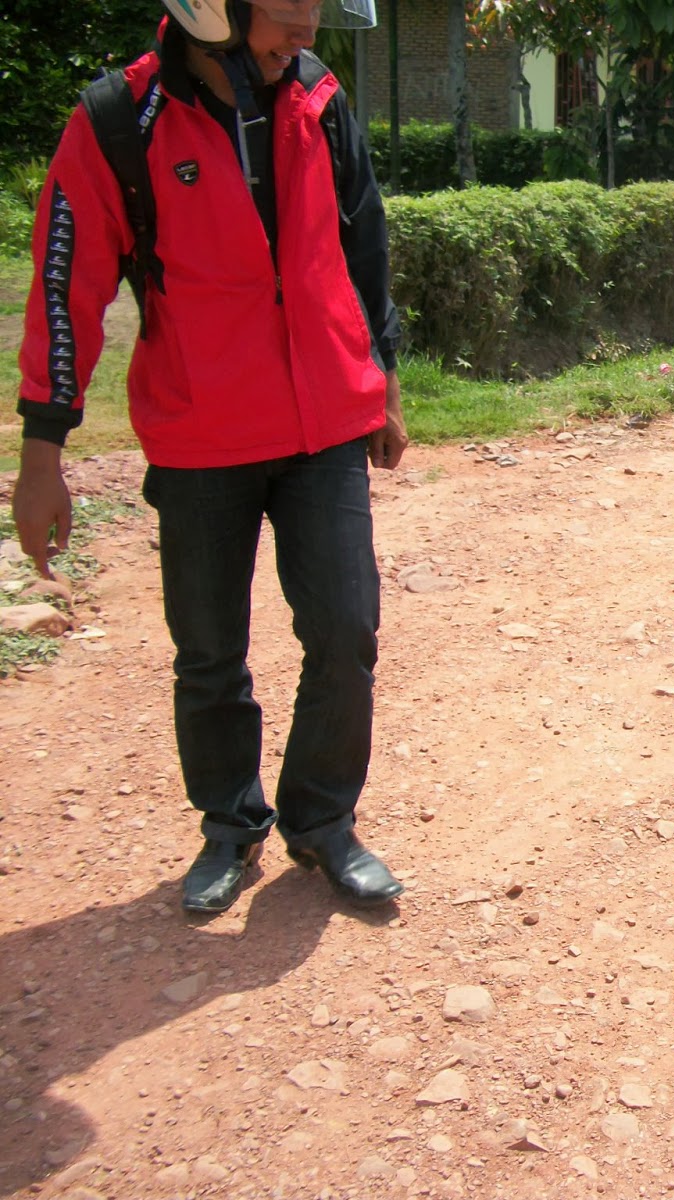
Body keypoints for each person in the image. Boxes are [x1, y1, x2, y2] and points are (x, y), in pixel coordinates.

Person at [13, 0, 409, 913]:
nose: (307, 19)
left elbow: (364, 246)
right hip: (201, 438)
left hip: (324, 429)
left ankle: (323, 824)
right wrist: (44, 451)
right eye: (286, 3)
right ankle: (232, 826)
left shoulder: (319, 96)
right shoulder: (118, 121)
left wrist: (382, 381)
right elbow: (64, 282)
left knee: (346, 630)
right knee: (209, 651)